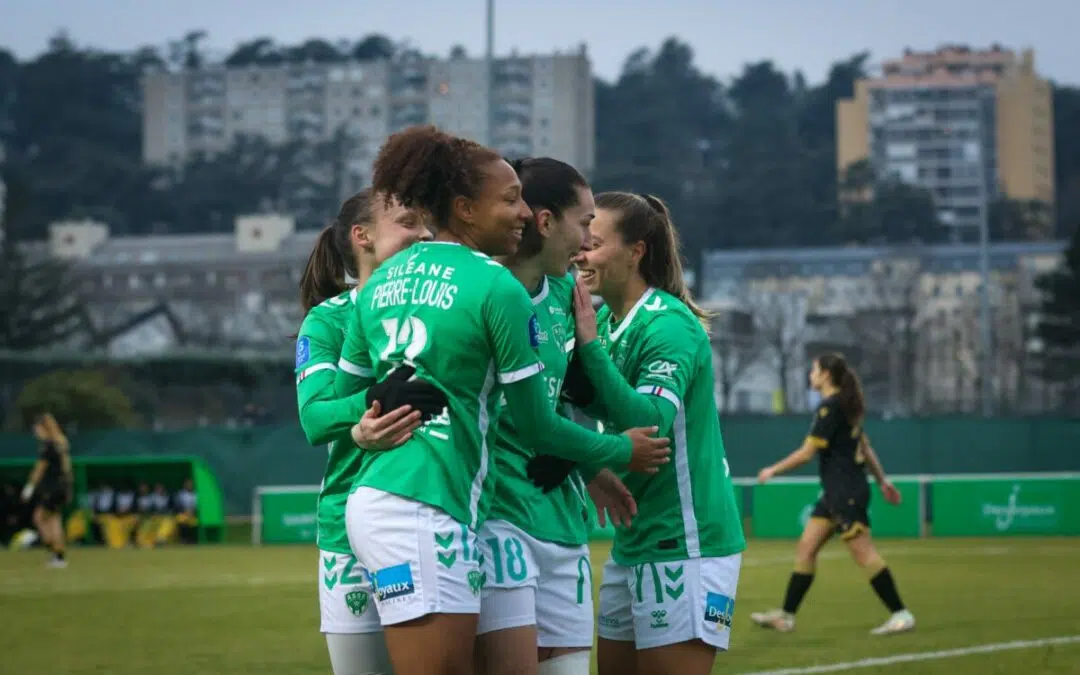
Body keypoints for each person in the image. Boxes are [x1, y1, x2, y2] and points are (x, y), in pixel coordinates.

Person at [333, 126, 671, 675]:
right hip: (428, 505)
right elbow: (537, 426)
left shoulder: (385, 280)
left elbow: (330, 408)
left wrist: (358, 423)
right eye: (510, 200)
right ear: (465, 209)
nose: (523, 211)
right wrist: (612, 452)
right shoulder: (495, 287)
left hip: (423, 501)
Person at [569, 192, 747, 675]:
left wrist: (588, 348)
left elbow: (649, 425)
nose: (579, 252)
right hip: (633, 541)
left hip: (687, 545)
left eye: (595, 242)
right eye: (580, 239)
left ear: (636, 251)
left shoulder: (669, 325)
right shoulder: (602, 321)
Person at [475, 158, 634, 675]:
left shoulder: (569, 294)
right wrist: (607, 452)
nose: (588, 241)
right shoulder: (480, 294)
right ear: (545, 222)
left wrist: (583, 464)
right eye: (585, 222)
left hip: (564, 525)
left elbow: (562, 398)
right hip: (499, 520)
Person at [295, 188, 436, 675]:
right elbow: (315, 419)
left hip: (434, 515)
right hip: (346, 529)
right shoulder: (328, 319)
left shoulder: (441, 310)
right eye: (408, 222)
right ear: (363, 237)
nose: (424, 233)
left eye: (426, 223)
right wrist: (374, 403)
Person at [751, 353, 916, 636]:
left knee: (865, 554)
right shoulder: (846, 406)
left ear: (826, 374)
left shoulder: (830, 407)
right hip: (836, 493)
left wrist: (772, 470)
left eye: (814, 370)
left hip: (845, 493)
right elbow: (865, 448)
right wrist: (882, 481)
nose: (810, 375)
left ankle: (901, 614)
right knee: (806, 549)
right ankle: (787, 616)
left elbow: (807, 453)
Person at [20, 413, 74, 568]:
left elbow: (40, 469)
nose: (35, 432)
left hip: (52, 489)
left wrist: (29, 488)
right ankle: (58, 557)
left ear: (43, 428)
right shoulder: (61, 443)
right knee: (54, 520)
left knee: (39, 518)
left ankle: (52, 549)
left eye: (36, 429)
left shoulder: (48, 445)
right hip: (63, 487)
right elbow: (67, 468)